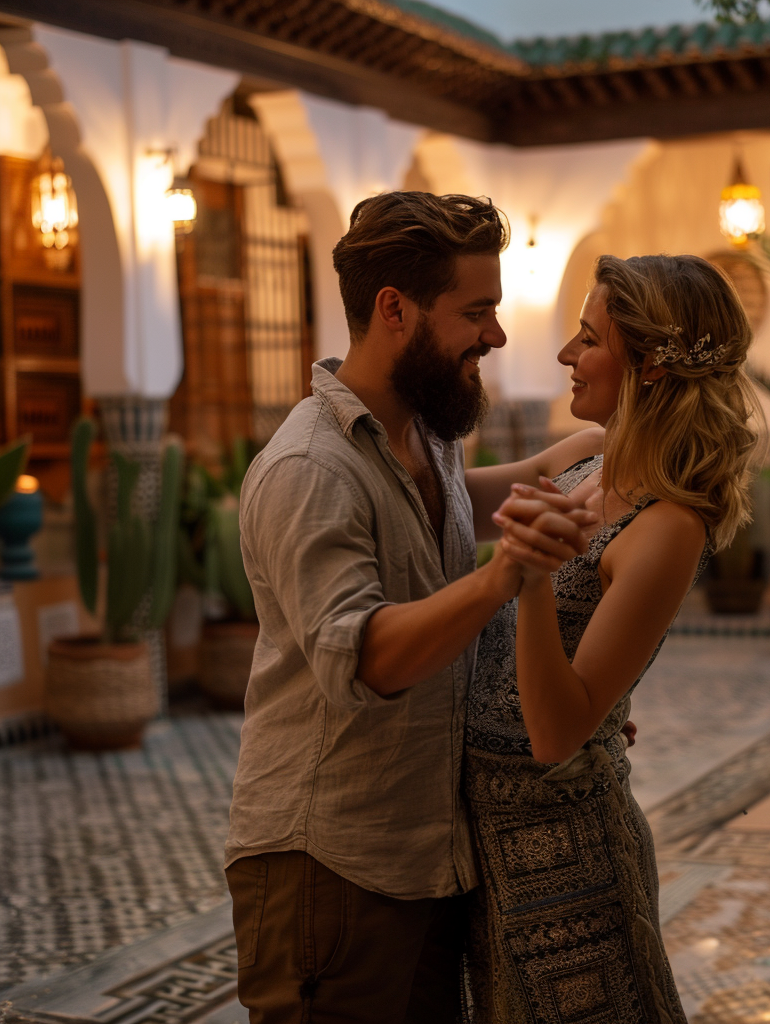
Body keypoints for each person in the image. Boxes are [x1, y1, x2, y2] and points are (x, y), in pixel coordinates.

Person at [224, 191, 597, 1023]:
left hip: (427, 858)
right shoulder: (310, 470)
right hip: (332, 869)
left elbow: (463, 502)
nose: (496, 335)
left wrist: (582, 454)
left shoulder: (424, 433)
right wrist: (505, 577)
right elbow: (365, 657)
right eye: (477, 311)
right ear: (395, 309)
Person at [460, 253, 762, 1023]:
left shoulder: (666, 528)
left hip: (574, 861)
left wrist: (526, 578)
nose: (565, 355)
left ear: (652, 365)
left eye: (587, 338)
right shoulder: (577, 460)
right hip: (487, 845)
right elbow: (441, 503)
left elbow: (560, 731)